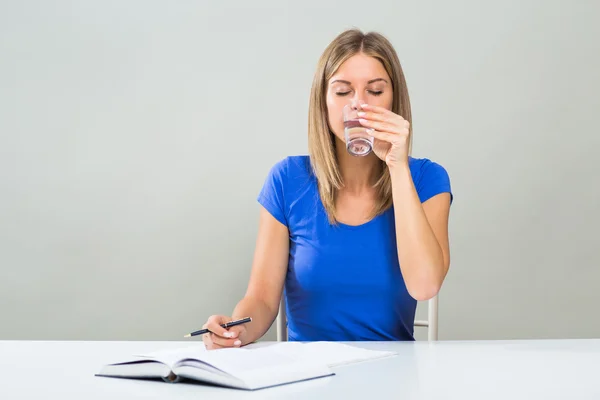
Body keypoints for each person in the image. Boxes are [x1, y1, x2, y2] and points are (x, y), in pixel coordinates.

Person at [202, 28, 453, 349]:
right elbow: (262, 299)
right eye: (343, 91)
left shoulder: (426, 179)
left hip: (394, 376)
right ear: (323, 100)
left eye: (375, 92)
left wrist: (397, 166)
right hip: (306, 374)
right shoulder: (287, 180)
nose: (359, 105)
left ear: (395, 100)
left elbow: (425, 285)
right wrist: (234, 330)